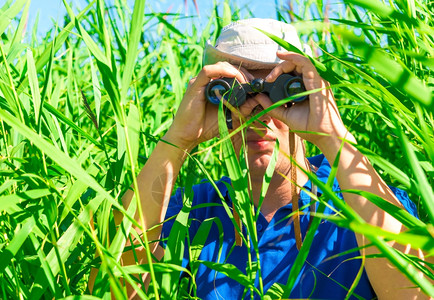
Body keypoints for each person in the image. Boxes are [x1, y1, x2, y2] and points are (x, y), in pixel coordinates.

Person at [120, 18, 426, 299]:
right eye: (235, 93)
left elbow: (417, 294)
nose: (259, 114)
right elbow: (115, 286)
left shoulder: (359, 201)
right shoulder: (193, 212)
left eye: (281, 92)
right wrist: (177, 139)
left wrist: (333, 137)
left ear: (308, 95)